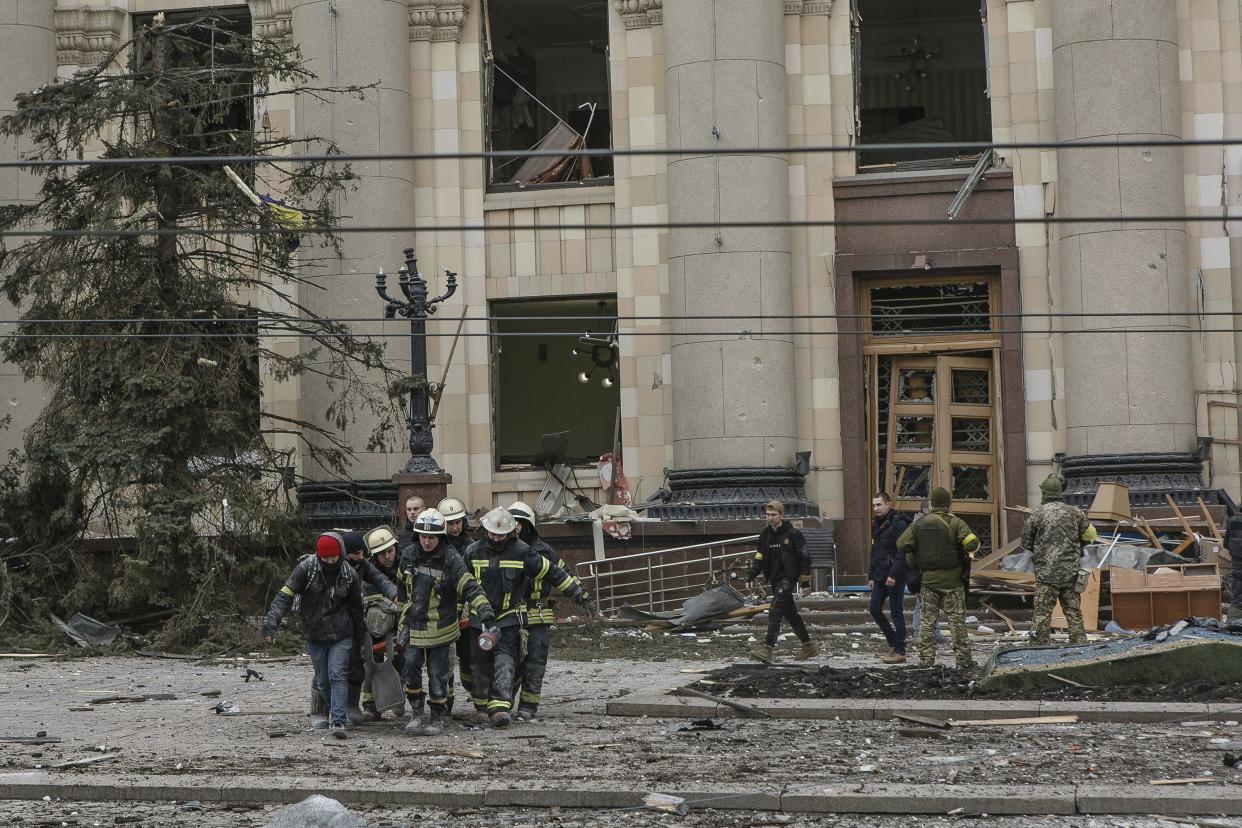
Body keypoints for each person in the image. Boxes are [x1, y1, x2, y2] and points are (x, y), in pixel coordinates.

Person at [464, 507, 595, 728]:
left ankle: (499, 708)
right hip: (480, 620)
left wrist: (581, 596)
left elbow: (554, 573)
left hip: (508, 619)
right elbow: (461, 583)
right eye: (492, 534)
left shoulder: (522, 552)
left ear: (510, 533)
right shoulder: (472, 552)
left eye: (501, 535)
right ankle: (481, 708)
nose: (496, 539)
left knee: (505, 661)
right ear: (485, 530)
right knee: (478, 664)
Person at [399, 508, 496, 736]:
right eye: (423, 536)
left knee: (438, 674)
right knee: (411, 669)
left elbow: (469, 586)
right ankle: (416, 713)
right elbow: (403, 592)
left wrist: (485, 610)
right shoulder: (408, 555)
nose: (427, 541)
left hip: (442, 629)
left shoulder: (451, 558)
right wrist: (402, 622)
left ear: (440, 537)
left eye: (431, 537)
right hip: (414, 626)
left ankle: (437, 717)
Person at [261, 532, 366, 739]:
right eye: (324, 557)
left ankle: (338, 721)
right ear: (318, 555)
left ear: (341, 554)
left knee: (338, 675)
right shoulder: (305, 569)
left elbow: (356, 608)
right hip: (315, 634)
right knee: (322, 679)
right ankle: (332, 709)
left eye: (333, 557)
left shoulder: (349, 574)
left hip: (341, 633)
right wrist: (271, 624)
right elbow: (284, 596)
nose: (329, 561)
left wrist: (360, 638)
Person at [508, 500, 585, 721]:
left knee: (535, 660)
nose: (514, 528)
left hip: (538, 614)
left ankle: (528, 707)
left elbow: (563, 574)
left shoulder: (543, 551)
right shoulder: (504, 549)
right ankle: (504, 699)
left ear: (527, 525)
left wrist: (581, 596)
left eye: (518, 524)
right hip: (512, 614)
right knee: (509, 659)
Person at [897, 487, 979, 671]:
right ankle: (964, 661)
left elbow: (902, 544)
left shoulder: (919, 524)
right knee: (957, 623)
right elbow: (972, 544)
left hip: (928, 583)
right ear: (949, 504)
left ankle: (926, 661)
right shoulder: (957, 523)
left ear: (932, 504)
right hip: (953, 583)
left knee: (927, 623)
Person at [1023, 474, 1097, 646]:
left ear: (1044, 492)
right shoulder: (1075, 512)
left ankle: (1040, 646)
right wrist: (1079, 544)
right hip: (1070, 573)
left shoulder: (1036, 514)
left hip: (1045, 575)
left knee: (1042, 613)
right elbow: (1091, 535)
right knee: (1072, 611)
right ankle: (1079, 642)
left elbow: (1026, 543)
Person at [747, 499, 817, 663]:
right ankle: (808, 646)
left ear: (781, 515)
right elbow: (759, 557)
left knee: (775, 611)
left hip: (787, 579)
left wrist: (805, 582)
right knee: (791, 614)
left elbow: (804, 557)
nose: (770, 518)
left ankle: (767, 648)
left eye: (773, 515)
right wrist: (751, 575)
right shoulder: (765, 534)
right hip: (774, 578)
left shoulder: (792, 534)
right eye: (767, 515)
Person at [359, 525, 407, 721]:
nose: (387, 556)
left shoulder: (406, 566)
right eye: (381, 553)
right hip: (376, 627)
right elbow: (367, 600)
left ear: (396, 548)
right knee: (371, 664)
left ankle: (398, 699)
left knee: (401, 662)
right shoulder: (367, 574)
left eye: (390, 551)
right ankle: (371, 705)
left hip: (401, 624)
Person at [438, 495, 475, 711]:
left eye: (457, 522)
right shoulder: (436, 547)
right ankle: (446, 704)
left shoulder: (472, 547)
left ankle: (471, 683)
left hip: (467, 612)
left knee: (469, 655)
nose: (454, 527)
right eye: (450, 523)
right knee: (445, 660)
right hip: (444, 611)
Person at [869, 492, 910, 664]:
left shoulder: (899, 523)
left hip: (895, 576)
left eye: (879, 505)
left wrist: (894, 574)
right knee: (874, 609)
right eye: (874, 505)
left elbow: (903, 552)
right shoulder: (877, 524)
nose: (876, 508)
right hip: (879, 575)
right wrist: (871, 575)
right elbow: (875, 552)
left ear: (888, 504)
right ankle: (893, 642)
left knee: (896, 614)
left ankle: (900, 650)